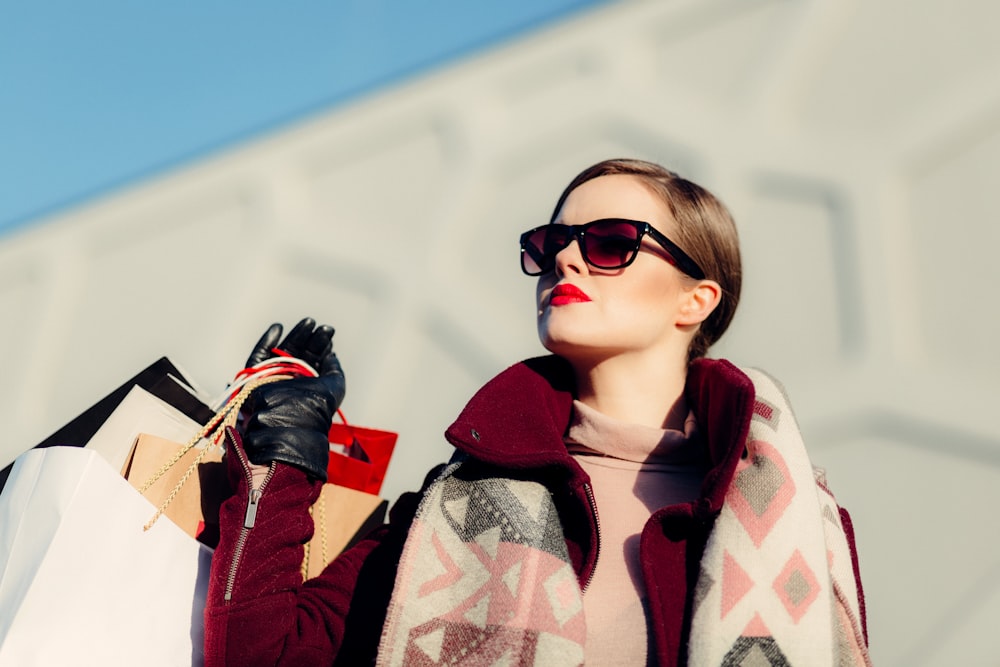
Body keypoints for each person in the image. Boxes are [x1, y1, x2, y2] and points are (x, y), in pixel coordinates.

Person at [204, 159, 870, 666]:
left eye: (611, 242)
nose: (567, 257)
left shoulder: (790, 520)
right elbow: (260, 651)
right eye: (553, 242)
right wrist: (284, 452)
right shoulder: (452, 505)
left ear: (695, 299)